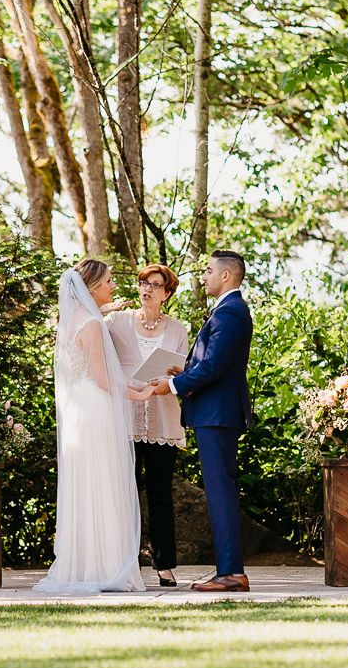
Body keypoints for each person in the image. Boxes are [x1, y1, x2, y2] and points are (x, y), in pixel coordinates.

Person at [35, 260, 158, 594]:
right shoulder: (91, 323)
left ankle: (86, 563)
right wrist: (137, 393)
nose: (113, 286)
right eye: (108, 281)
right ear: (90, 288)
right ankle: (104, 566)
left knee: (87, 485)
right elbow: (104, 380)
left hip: (80, 410)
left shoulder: (70, 322)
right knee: (104, 482)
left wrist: (133, 388)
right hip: (95, 412)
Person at [153, 250, 255, 592]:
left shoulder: (230, 312)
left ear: (226, 276)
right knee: (219, 491)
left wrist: (170, 385)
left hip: (217, 414)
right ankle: (228, 570)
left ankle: (231, 573)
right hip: (215, 413)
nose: (204, 276)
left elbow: (214, 369)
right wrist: (186, 372)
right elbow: (213, 364)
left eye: (209, 271)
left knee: (220, 492)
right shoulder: (228, 312)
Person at [107, 263, 190, 588]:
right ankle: (122, 564)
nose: (147, 289)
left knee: (160, 495)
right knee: (122, 494)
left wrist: (168, 379)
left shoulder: (178, 330)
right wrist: (104, 308)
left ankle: (164, 566)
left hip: (162, 421)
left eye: (155, 285)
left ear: (166, 294)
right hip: (124, 420)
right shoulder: (118, 322)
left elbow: (182, 371)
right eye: (144, 283)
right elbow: (88, 341)